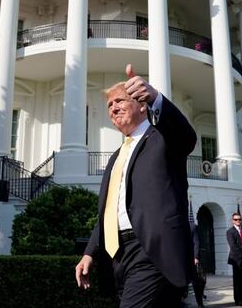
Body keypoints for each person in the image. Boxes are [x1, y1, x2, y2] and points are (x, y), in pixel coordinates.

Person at [75, 64, 197, 307]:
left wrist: (156, 98)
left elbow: (186, 136)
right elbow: (108, 213)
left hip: (152, 250)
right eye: (109, 105)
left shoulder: (162, 137)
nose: (113, 108)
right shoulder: (116, 158)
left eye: (119, 100)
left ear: (141, 105)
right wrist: (89, 252)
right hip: (118, 256)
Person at [226, 213, 242, 307]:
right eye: (236, 219)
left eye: (239, 219)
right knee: (238, 280)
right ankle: (238, 300)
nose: (238, 221)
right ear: (233, 220)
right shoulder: (230, 232)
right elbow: (233, 246)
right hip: (236, 260)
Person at [190, 223, 205, 308]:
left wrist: (196, 257)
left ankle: (200, 303)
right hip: (179, 260)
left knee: (198, 282)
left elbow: (196, 242)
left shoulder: (192, 226)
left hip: (192, 259)